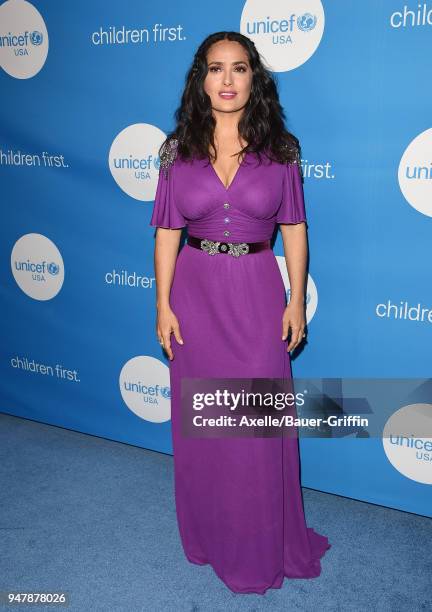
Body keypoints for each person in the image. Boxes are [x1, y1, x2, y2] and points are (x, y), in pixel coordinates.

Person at [149, 31, 331, 595]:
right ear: (200, 79)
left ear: (256, 78)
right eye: (215, 69)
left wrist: (296, 298)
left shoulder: (282, 148)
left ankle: (259, 542)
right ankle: (209, 535)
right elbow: (167, 232)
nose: (227, 80)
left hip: (255, 292)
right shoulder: (176, 149)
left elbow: (294, 229)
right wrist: (162, 303)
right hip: (195, 295)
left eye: (239, 69)